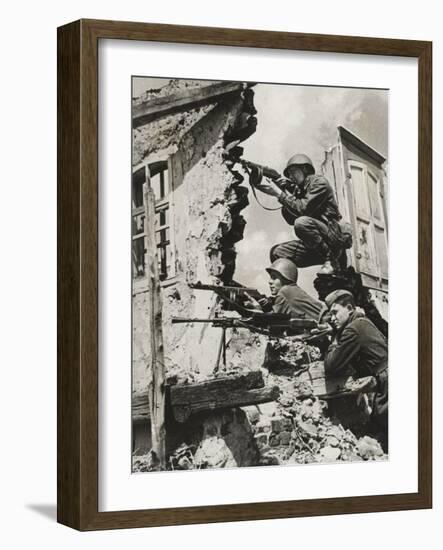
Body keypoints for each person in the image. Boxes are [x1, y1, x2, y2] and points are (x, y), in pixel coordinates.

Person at [251, 153, 352, 275]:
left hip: (332, 239)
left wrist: (280, 194)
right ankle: (287, 288)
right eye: (289, 175)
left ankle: (331, 260)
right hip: (316, 245)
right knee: (277, 252)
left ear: (305, 169)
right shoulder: (299, 190)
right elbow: (290, 219)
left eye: (293, 172)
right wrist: (285, 193)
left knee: (302, 223)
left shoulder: (319, 183)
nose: (290, 177)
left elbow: (303, 209)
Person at [323, 289, 388, 448]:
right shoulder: (362, 322)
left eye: (335, 312)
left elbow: (332, 365)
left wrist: (334, 340)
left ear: (350, 309)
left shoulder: (352, 329)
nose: (332, 318)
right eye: (330, 314)